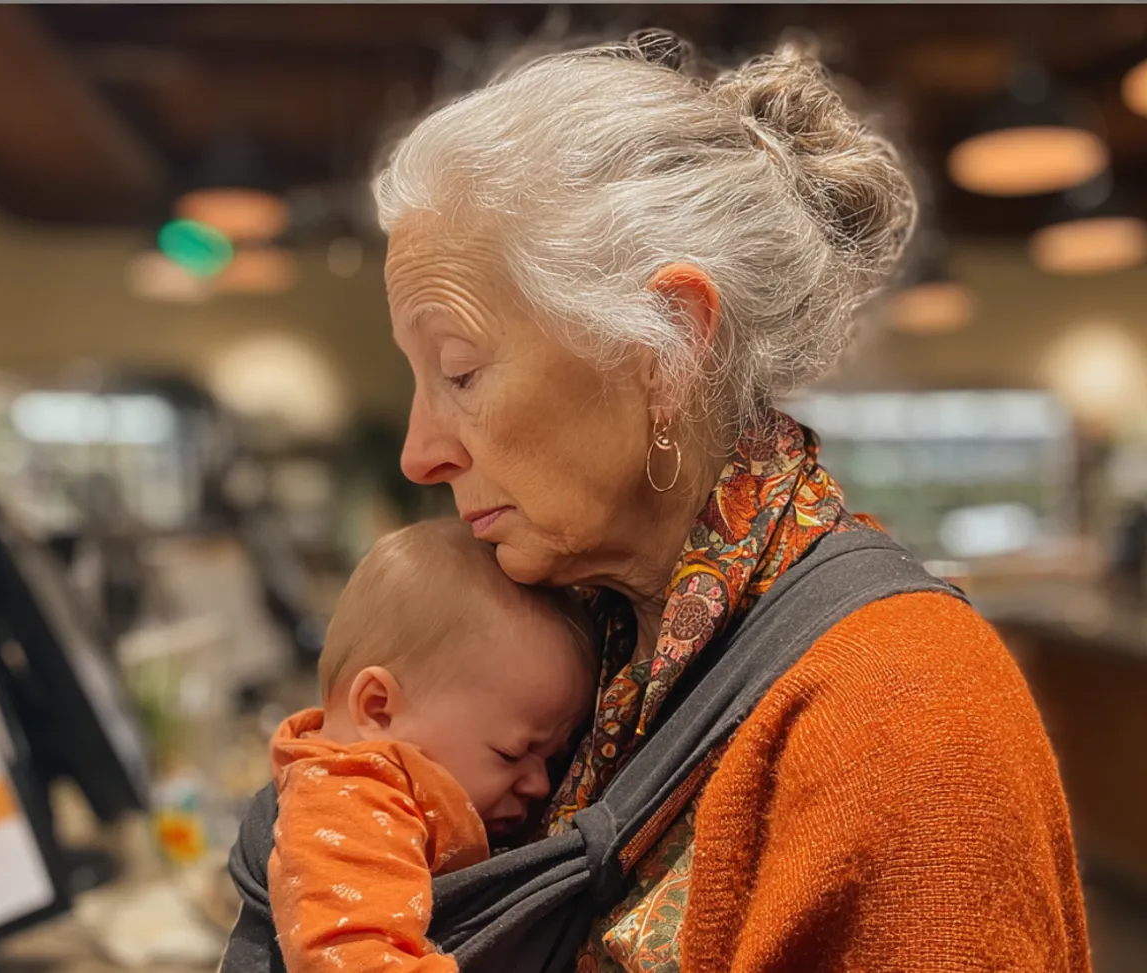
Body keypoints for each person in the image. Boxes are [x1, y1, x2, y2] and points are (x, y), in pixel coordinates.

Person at [371, 29, 1092, 972]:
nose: (420, 452)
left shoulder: (904, 715)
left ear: (669, 346)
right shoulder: (595, 646)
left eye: (460, 371)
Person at [268, 519, 595, 972]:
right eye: (511, 753)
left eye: (552, 760)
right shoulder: (349, 800)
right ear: (379, 709)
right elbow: (353, 953)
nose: (540, 784)